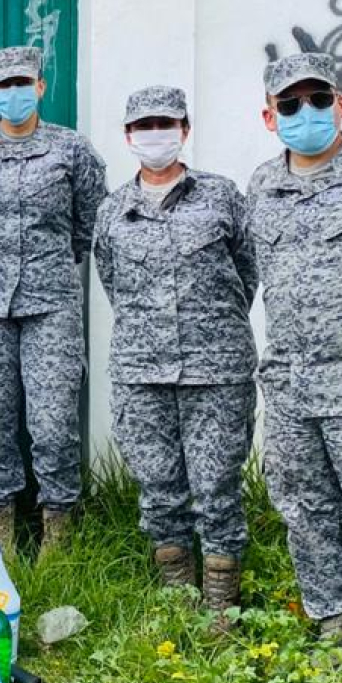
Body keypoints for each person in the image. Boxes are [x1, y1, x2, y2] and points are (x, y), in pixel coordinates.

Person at [93, 86, 257, 614]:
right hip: (141, 371)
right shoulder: (113, 210)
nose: (154, 134)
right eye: (143, 126)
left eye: (165, 124)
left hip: (218, 369)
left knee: (217, 488)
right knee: (159, 488)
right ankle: (176, 599)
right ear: (127, 136)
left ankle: (219, 609)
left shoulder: (223, 196)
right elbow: (111, 279)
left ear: (185, 130)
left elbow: (247, 270)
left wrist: (211, 325)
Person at [0, 46, 107, 557]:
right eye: (3, 84)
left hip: (51, 304)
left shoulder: (72, 150)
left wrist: (45, 262)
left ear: (40, 86)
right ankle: (2, 545)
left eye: (22, 82)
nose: (13, 92)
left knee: (54, 425)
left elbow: (90, 222)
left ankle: (57, 541)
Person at [247, 52, 342, 650]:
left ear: (341, 105)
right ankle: (338, 625)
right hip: (290, 383)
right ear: (270, 118)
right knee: (307, 508)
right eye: (290, 104)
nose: (307, 112)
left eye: (318, 99)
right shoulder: (261, 186)